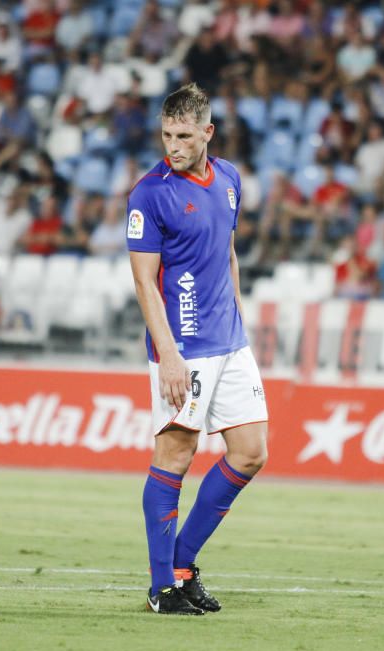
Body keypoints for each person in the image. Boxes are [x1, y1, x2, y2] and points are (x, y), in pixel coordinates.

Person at [127, 83, 268, 616]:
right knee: (176, 454)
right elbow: (145, 283)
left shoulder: (230, 178)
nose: (173, 145)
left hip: (230, 342)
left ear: (207, 132)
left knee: (252, 451)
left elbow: (227, 250)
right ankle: (163, 586)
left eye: (184, 135)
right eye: (166, 135)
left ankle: (181, 566)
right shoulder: (149, 193)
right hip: (184, 346)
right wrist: (168, 354)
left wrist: (238, 315)